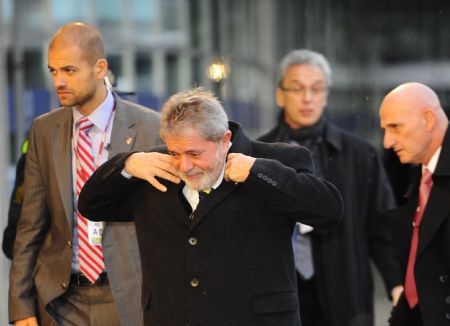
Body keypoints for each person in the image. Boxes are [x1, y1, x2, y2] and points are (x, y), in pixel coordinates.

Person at [77, 87, 343, 326]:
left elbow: (328, 210)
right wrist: (126, 165)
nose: (184, 166)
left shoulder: (274, 161)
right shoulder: (152, 167)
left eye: (194, 154)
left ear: (224, 140)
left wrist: (257, 171)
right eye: (174, 153)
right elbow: (91, 205)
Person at [8, 22, 161, 326]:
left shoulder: (150, 128)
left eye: (69, 70)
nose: (59, 81)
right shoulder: (43, 130)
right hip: (62, 302)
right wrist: (20, 305)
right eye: (53, 71)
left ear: (100, 68)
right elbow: (30, 225)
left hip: (128, 298)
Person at [258, 49, 403, 326]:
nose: (308, 98)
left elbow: (382, 228)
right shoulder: (258, 155)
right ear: (280, 95)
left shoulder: (360, 154)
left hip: (345, 288)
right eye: (297, 88)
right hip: (280, 292)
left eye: (317, 88)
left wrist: (396, 283)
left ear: (326, 94)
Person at [379, 82, 450, 326]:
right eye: (385, 130)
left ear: (429, 120)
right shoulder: (419, 174)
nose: (387, 141)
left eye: (395, 127)